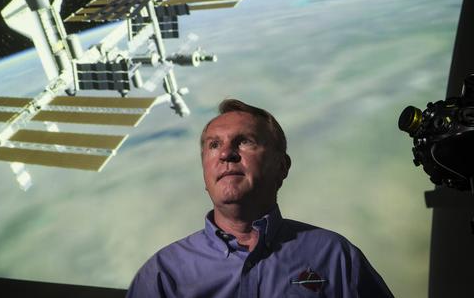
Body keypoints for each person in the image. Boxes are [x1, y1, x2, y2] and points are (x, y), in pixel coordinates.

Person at [126, 99, 393, 297]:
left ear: (282, 166)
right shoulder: (163, 275)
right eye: (214, 145)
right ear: (205, 172)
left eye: (245, 141)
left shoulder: (336, 258)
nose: (225, 154)